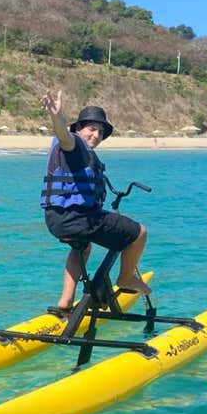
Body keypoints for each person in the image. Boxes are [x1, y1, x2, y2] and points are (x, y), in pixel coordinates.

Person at [40, 90, 152, 315]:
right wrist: (56, 116)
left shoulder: (80, 154)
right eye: (91, 129)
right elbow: (64, 136)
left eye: (100, 132)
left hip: (56, 220)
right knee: (139, 233)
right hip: (79, 219)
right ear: (79, 129)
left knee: (82, 246)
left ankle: (65, 300)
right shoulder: (75, 147)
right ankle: (125, 277)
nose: (96, 135)